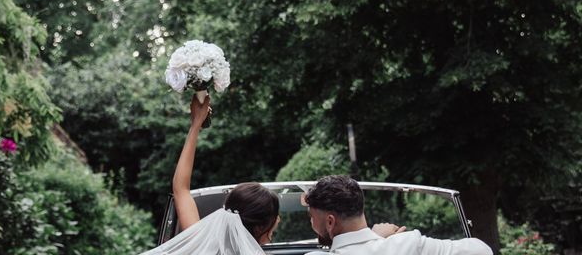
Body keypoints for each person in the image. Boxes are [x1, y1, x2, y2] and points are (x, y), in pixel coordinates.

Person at [139, 93, 280, 255]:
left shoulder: (200, 245)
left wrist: (195, 124)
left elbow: (180, 189)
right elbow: (180, 189)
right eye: (276, 215)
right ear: (260, 227)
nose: (279, 220)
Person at [303, 175, 493, 255]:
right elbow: (481, 250)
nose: (311, 223)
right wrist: (376, 238)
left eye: (312, 218)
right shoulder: (407, 244)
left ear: (330, 221)